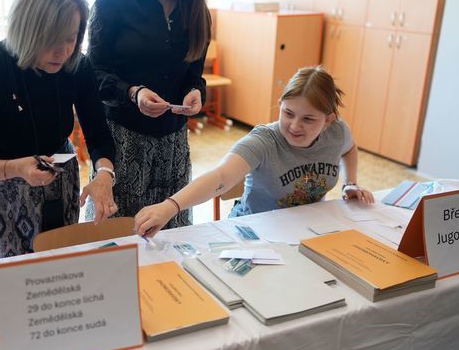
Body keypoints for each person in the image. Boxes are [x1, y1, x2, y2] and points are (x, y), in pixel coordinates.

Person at [0, 0, 117, 261]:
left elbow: (99, 134)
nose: (62, 51)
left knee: (60, 270)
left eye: (71, 38)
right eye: (50, 41)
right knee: (8, 279)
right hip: (1, 189)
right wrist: (17, 168)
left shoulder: (76, 64)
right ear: (25, 30)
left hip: (59, 180)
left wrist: (104, 174)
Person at [134, 66, 375, 237]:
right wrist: (169, 207)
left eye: (308, 119)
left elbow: (350, 149)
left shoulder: (337, 132)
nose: (294, 126)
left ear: (328, 120)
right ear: (280, 105)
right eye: (288, 113)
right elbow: (220, 177)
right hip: (255, 231)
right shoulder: (265, 140)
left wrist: (350, 183)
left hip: (306, 228)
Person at [87, 0, 211, 229]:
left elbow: (194, 74)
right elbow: (93, 73)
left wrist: (197, 92)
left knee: (173, 236)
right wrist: (133, 92)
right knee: (121, 237)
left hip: (173, 145)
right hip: (124, 140)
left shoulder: (196, 11)